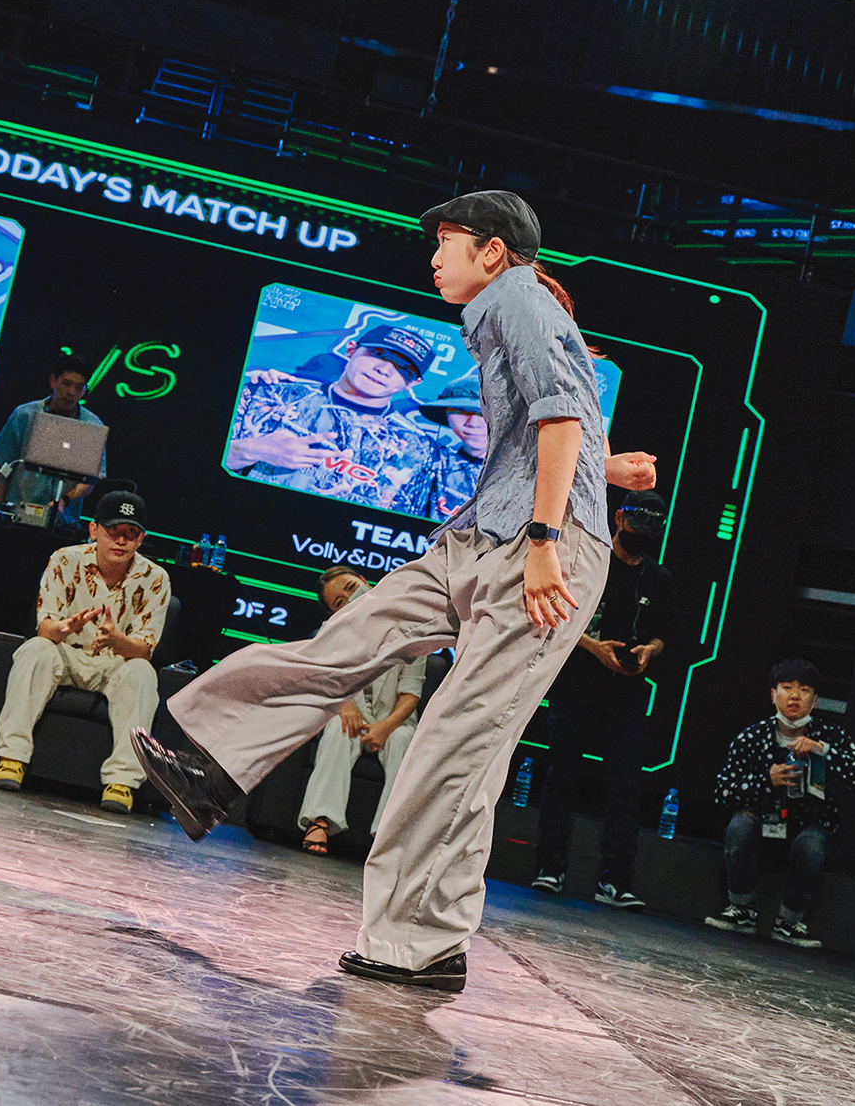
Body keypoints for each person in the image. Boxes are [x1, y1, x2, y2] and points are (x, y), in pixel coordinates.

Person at [131, 189, 658, 993]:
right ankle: (212, 767)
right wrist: (608, 472)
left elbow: (560, 424)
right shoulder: (506, 313)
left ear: (492, 250)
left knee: (457, 746)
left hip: (533, 552)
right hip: (477, 540)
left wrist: (547, 542)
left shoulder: (519, 298)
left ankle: (420, 943)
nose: (433, 257)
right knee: (349, 640)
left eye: (445, 241)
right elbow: (561, 432)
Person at [531, 489, 677, 910]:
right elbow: (556, 616)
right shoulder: (588, 562)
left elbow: (666, 634)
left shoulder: (658, 578)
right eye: (636, 525)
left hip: (626, 696)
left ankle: (615, 880)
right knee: (562, 778)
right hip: (576, 686)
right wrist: (593, 647)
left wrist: (649, 651)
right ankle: (551, 867)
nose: (641, 535)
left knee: (625, 789)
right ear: (619, 519)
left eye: (650, 530)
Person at [0, 489, 171, 813]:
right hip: (67, 653)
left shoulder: (155, 578)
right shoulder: (64, 559)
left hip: (115, 664)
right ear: (94, 530)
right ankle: (11, 758)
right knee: (35, 649)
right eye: (113, 530)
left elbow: (144, 649)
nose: (121, 540)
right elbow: (45, 628)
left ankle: (122, 782)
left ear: (141, 539)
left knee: (143, 673)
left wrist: (117, 641)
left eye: (131, 533)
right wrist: (64, 628)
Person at [705, 659, 855, 949]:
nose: (795, 696)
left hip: (807, 826)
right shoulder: (752, 736)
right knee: (740, 825)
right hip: (762, 823)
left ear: (815, 700)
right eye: (787, 688)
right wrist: (765, 780)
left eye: (804, 690)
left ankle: (789, 921)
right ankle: (742, 909)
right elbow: (722, 792)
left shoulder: (830, 736)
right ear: (773, 695)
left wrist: (823, 751)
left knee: (813, 843)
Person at [225, 323, 441, 516]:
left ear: (414, 382)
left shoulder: (420, 448)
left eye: (403, 368)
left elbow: (405, 527)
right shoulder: (271, 394)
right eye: (378, 354)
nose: (383, 370)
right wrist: (251, 450)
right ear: (351, 350)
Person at [298, 565, 426, 855]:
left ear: (364, 581)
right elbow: (324, 680)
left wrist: (386, 727)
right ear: (334, 612)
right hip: (350, 717)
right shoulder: (330, 633)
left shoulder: (410, 626)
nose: (350, 599)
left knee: (404, 740)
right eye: (339, 602)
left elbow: (411, 692)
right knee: (337, 728)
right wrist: (343, 706)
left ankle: (388, 834)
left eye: (352, 588)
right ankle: (320, 821)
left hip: (394, 721)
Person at [0, 354, 107, 530]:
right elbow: (3, 465)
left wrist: (65, 500)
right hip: (16, 514)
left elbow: (90, 481)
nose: (71, 392)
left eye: (79, 387)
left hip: (63, 523)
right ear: (53, 381)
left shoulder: (93, 425)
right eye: (66, 384)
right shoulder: (25, 414)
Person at [421, 373, 485, 521]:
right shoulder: (432, 464)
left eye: (484, 413)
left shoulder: (528, 475)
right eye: (460, 410)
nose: (473, 423)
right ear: (446, 414)